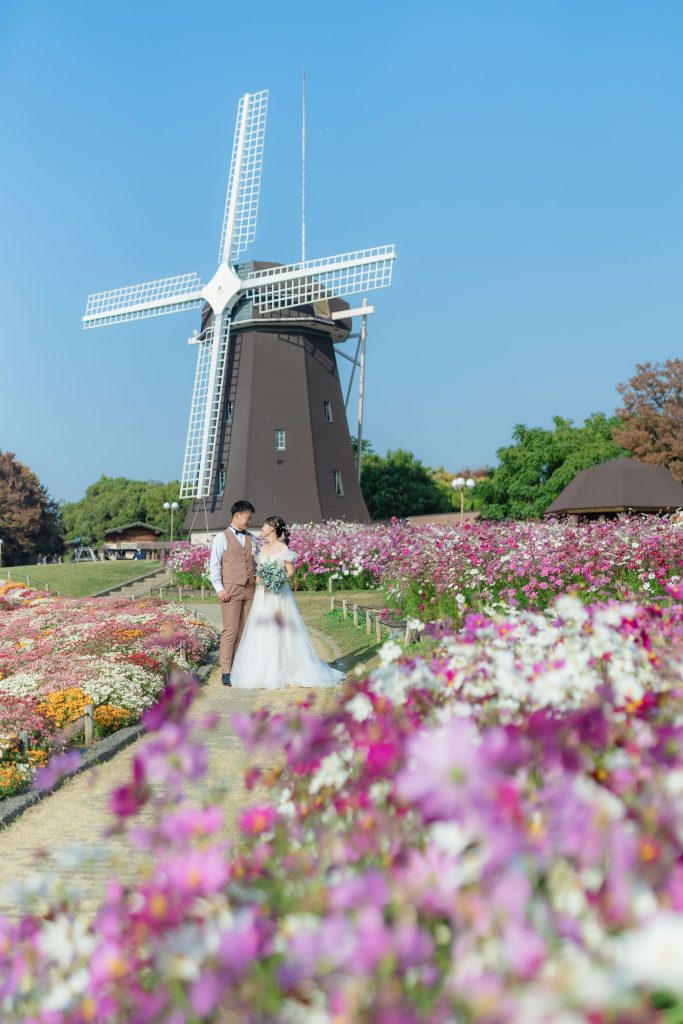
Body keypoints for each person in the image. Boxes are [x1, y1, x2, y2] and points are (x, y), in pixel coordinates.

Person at [231, 515, 344, 690]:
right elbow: (259, 571)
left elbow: (290, 573)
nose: (261, 528)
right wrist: (262, 581)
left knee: (283, 633)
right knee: (263, 631)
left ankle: (289, 670)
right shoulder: (261, 549)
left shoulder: (283, 548)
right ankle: (265, 671)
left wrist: (275, 581)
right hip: (263, 596)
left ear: (272, 528)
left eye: (264, 525)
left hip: (279, 595)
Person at [209, 500, 256, 687]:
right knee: (230, 631)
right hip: (230, 590)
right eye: (248, 517)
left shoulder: (252, 537)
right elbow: (214, 564)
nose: (249, 521)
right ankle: (226, 671)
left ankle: (239, 667)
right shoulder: (221, 538)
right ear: (237, 515)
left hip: (250, 589)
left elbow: (256, 563)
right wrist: (219, 588)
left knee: (244, 632)